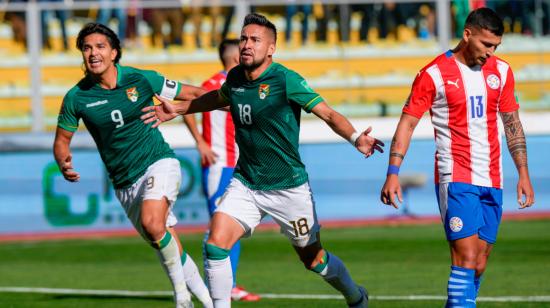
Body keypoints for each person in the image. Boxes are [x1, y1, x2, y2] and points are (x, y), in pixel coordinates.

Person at [142, 12, 384, 308]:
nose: (246, 44)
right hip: (247, 182)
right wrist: (179, 109)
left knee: (314, 260)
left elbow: (329, 113)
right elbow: (218, 98)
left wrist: (356, 137)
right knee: (216, 244)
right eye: (244, 38)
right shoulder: (235, 78)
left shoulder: (285, 79)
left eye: (255, 40)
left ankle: (355, 295)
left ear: (271, 49)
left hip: (288, 188)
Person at [380, 8, 535, 307]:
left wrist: (523, 174)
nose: (490, 53)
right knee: (464, 258)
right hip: (456, 177)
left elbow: (512, 124)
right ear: (467, 35)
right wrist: (393, 171)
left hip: (493, 178)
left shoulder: (501, 72)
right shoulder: (434, 74)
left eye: (496, 47)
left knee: (478, 264)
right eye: (486, 45)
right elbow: (408, 123)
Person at [53, 23, 213, 308]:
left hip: (158, 161)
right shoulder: (77, 97)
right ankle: (211, 304)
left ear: (114, 52)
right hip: (124, 181)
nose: (93, 53)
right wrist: (62, 161)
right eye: (87, 48)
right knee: (165, 242)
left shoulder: (141, 79)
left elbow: (192, 93)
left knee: (154, 225)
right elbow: (62, 140)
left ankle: (182, 298)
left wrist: (233, 101)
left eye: (100, 46)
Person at [182, 38, 260, 302]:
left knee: (232, 224)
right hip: (219, 164)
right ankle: (216, 287)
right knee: (220, 225)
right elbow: (188, 107)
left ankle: (228, 285)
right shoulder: (214, 84)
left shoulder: (238, 84)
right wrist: (200, 142)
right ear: (236, 57)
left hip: (236, 163)